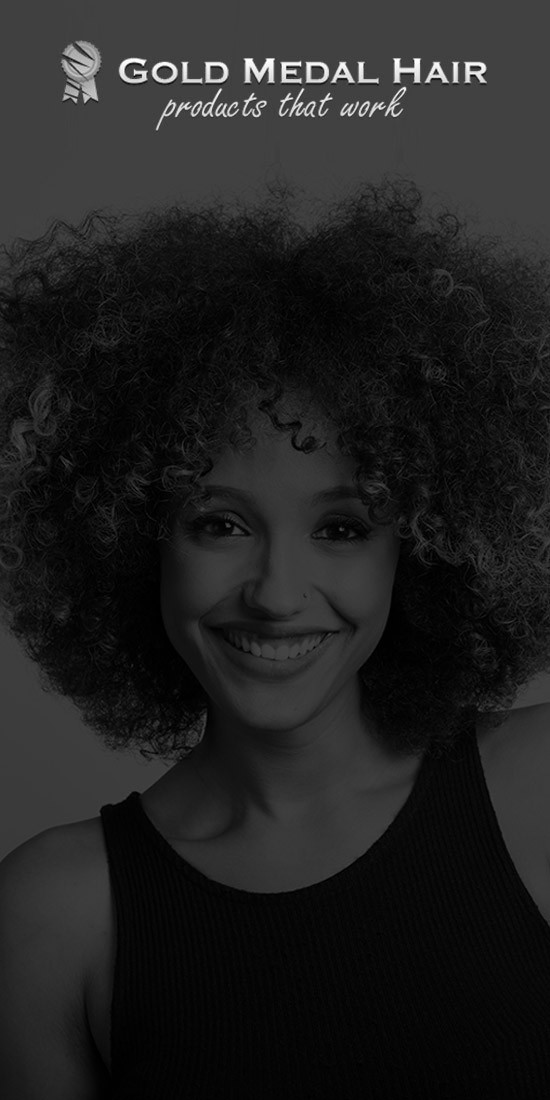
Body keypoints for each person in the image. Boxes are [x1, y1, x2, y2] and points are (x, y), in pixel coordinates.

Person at [1, 180, 550, 1099]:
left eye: (342, 528)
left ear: (421, 550)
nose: (277, 594)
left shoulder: (540, 791)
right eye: (219, 524)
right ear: (134, 543)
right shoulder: (55, 916)